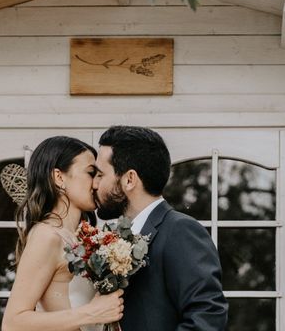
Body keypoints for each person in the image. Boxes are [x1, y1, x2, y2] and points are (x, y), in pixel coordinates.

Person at [93, 126, 228, 331]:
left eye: (100, 175)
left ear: (129, 179)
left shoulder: (180, 231)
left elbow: (207, 318)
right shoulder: (118, 237)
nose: (94, 184)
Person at [2, 136, 124, 331]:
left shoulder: (78, 237)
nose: (96, 184)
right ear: (59, 177)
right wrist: (92, 312)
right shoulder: (46, 235)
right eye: (91, 173)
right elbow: (12, 323)